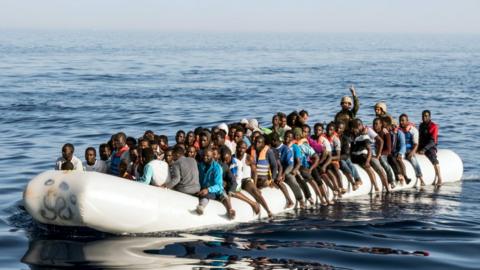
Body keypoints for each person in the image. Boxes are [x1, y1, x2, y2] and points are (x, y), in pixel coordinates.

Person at [233, 141, 273, 217]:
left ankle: (268, 211)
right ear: (236, 147)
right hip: (236, 181)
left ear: (246, 149)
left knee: (255, 192)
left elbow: (254, 172)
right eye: (240, 147)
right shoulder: (232, 157)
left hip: (245, 180)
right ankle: (252, 204)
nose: (241, 150)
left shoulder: (248, 158)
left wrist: (254, 185)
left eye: (244, 148)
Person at [196, 148, 236, 219]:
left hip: (216, 190)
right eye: (204, 155)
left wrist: (208, 190)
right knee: (203, 193)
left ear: (212, 157)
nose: (205, 157)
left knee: (224, 197)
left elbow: (219, 185)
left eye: (208, 156)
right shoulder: (200, 165)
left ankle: (230, 211)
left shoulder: (217, 168)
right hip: (204, 188)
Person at [220, 148, 260, 214]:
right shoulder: (222, 164)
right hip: (227, 183)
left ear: (230, 156)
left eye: (226, 159)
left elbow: (238, 179)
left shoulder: (238, 163)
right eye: (223, 160)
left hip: (236, 183)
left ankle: (253, 203)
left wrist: (231, 188)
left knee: (233, 191)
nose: (225, 162)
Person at [270, 132, 304, 207]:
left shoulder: (286, 149)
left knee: (290, 178)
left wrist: (283, 174)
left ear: (275, 140)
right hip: (277, 169)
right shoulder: (271, 148)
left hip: (288, 168)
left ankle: (300, 199)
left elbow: (290, 164)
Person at [350, 119, 381, 192]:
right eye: (353, 128)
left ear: (359, 126)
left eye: (355, 128)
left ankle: (376, 185)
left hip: (362, 156)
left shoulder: (364, 136)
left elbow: (369, 150)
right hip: (354, 157)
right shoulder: (353, 137)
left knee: (368, 169)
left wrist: (367, 161)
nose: (353, 130)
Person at [418, 110, 442, 186]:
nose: (424, 117)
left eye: (426, 116)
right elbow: (419, 138)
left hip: (430, 146)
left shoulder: (433, 126)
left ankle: (440, 178)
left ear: (429, 117)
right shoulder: (421, 125)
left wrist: (424, 149)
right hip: (421, 145)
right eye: (423, 116)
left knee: (433, 158)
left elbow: (433, 141)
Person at [399, 114, 425, 186]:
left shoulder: (413, 130)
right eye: (400, 121)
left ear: (407, 121)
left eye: (403, 120)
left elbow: (416, 144)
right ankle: (401, 177)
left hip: (409, 150)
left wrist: (412, 152)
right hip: (401, 150)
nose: (401, 122)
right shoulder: (399, 130)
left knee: (413, 160)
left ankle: (420, 178)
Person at [336, 121, 362, 187]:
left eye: (340, 128)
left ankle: (357, 178)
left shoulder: (345, 139)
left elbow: (346, 154)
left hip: (344, 156)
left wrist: (337, 157)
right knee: (343, 163)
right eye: (337, 128)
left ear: (343, 130)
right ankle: (353, 179)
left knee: (348, 162)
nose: (338, 130)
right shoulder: (332, 137)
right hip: (337, 156)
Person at [373, 118, 397, 189]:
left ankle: (392, 180)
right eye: (374, 124)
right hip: (375, 153)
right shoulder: (372, 133)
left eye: (377, 124)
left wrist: (380, 154)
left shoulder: (386, 133)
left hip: (384, 153)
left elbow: (388, 149)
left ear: (381, 124)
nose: (375, 126)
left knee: (383, 161)